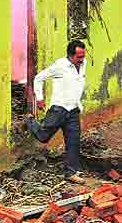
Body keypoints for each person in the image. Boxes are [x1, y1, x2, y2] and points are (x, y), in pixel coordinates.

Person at [25, 40, 87, 183]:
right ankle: (29, 120)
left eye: (83, 56)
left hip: (73, 110)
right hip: (59, 109)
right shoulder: (60, 66)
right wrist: (39, 98)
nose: (82, 59)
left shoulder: (83, 64)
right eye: (79, 57)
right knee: (43, 136)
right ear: (71, 56)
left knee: (73, 142)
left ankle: (71, 173)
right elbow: (38, 78)